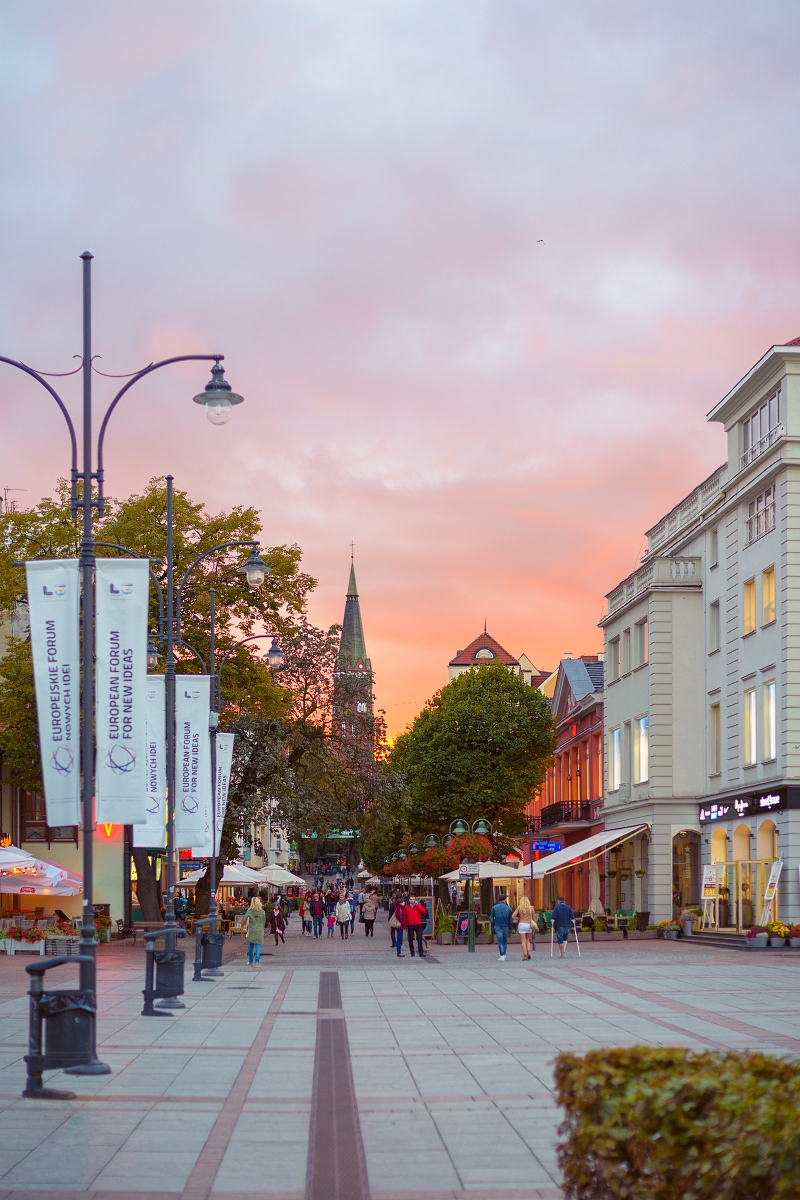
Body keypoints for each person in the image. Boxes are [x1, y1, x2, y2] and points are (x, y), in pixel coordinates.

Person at [490, 891, 514, 962]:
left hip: (497, 925)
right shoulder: (508, 908)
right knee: (505, 941)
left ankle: (502, 955)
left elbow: (491, 917)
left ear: (499, 899)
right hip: (506, 926)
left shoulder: (494, 907)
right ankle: (504, 954)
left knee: (500, 940)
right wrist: (511, 928)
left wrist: (493, 924)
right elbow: (510, 920)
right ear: (505, 899)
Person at [512, 894, 536, 960]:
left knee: (523, 940)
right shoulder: (531, 908)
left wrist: (519, 918)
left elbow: (513, 916)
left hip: (522, 924)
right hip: (529, 924)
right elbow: (534, 918)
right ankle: (529, 953)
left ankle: (525, 955)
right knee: (528, 939)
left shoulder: (519, 907)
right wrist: (536, 925)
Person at [244, 896, 266, 965]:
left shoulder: (249, 911)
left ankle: (250, 961)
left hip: (252, 930)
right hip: (259, 930)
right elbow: (264, 921)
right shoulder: (262, 912)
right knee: (258, 946)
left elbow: (245, 920)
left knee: (251, 946)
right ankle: (257, 962)